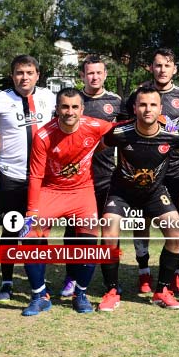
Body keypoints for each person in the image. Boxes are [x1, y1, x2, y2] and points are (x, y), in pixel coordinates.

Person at [97, 86, 179, 311]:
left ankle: (162, 291)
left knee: (175, 231)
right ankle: (111, 291)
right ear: (134, 108)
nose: (147, 109)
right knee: (109, 230)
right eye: (142, 104)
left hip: (154, 192)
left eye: (152, 105)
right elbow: (97, 148)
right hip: (122, 192)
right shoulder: (120, 132)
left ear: (160, 108)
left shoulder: (171, 134)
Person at [20, 88, 113, 316]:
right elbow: (36, 176)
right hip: (51, 191)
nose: (69, 112)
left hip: (82, 192)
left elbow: (122, 129)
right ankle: (39, 296)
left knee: (90, 245)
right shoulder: (43, 135)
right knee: (29, 238)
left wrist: (162, 123)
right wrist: (31, 211)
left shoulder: (95, 125)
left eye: (74, 107)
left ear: (82, 109)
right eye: (64, 107)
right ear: (57, 109)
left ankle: (80, 294)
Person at [0, 55, 55, 302]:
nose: (24, 77)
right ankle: (6, 281)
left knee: (39, 231)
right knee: (11, 229)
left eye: (29, 72)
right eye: (19, 72)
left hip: (42, 178)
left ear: (37, 75)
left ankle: (40, 281)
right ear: (12, 75)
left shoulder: (49, 97)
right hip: (12, 176)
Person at [125, 48, 179, 294]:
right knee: (141, 220)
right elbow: (126, 127)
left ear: (175, 69)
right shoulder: (138, 94)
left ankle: (173, 272)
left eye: (167, 65)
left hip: (175, 170)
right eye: (158, 65)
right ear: (151, 68)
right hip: (145, 170)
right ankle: (143, 271)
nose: (162, 69)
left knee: (177, 223)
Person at [61, 55, 125, 298]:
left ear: (105, 74)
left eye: (98, 72)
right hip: (76, 180)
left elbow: (124, 134)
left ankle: (112, 282)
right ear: (82, 76)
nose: (94, 77)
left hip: (106, 177)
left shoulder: (116, 102)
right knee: (74, 232)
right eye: (90, 73)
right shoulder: (74, 101)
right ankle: (71, 277)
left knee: (109, 231)